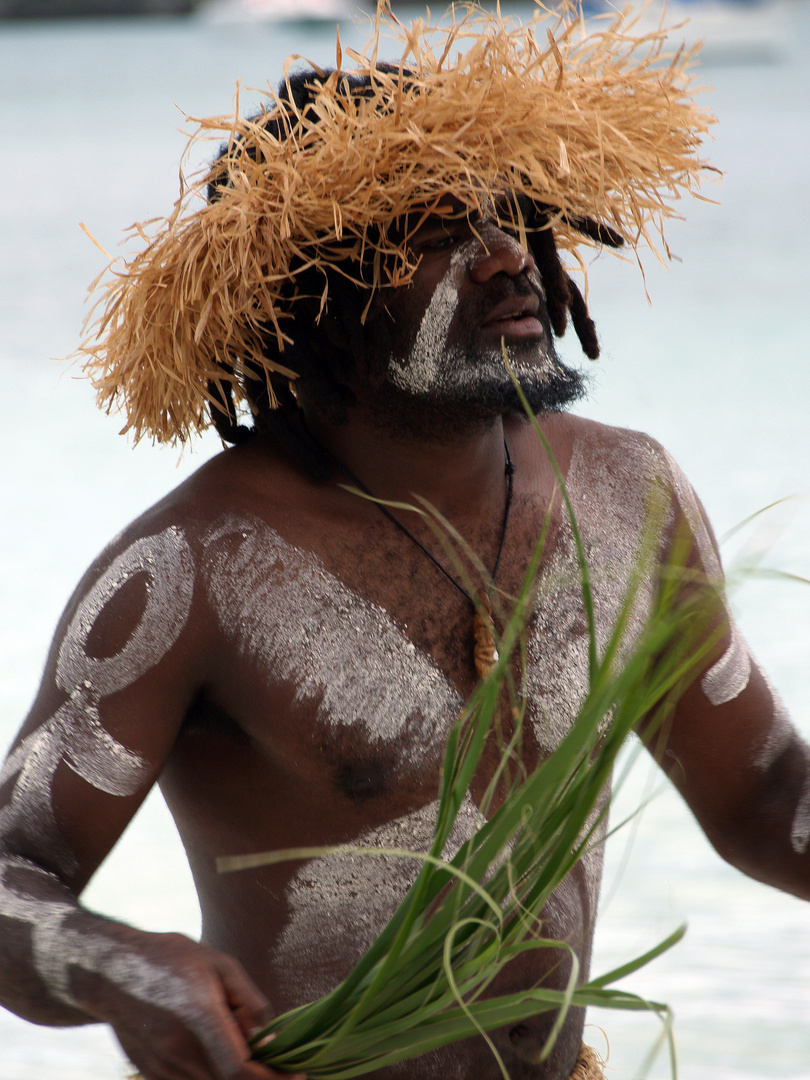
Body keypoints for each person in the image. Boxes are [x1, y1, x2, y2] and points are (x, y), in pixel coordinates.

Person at [1, 8, 807, 1080]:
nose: (507, 259)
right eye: (433, 230)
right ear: (309, 298)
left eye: (505, 213)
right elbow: (17, 868)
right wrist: (117, 969)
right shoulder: (195, 571)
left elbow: (761, 799)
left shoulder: (626, 493)